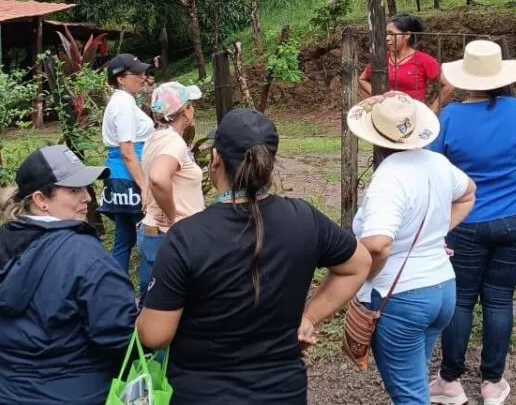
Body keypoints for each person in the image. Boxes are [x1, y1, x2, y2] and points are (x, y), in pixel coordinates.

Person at [136, 108, 372, 404]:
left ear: (216, 159)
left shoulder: (186, 237)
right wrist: (310, 317)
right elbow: (359, 264)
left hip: (202, 393)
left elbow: (155, 335)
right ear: (269, 163)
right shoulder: (304, 218)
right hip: (284, 392)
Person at [428, 40, 516, 405]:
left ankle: (450, 382)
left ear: (465, 78)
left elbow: (432, 162)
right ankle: (492, 383)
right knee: (500, 299)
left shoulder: (451, 117)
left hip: (466, 220)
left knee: (462, 300)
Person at [0, 145, 138, 404]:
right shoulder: (85, 255)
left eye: (86, 187)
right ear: (41, 200)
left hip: (8, 393)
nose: (87, 197)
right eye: (74, 190)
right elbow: (122, 336)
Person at [346, 92, 476, 405]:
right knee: (415, 382)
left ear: (376, 138)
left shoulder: (389, 178)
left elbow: (378, 245)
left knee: (410, 396)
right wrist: (433, 237)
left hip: (401, 297)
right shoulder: (438, 163)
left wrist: (364, 278)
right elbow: (469, 193)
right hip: (442, 289)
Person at [137, 82, 205, 294]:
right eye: (191, 104)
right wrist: (173, 216)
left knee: (153, 301)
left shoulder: (155, 138)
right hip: (171, 237)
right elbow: (158, 178)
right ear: (185, 110)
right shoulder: (172, 143)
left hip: (155, 233)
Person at [100, 53, 154, 273]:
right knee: (149, 237)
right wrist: (145, 187)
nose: (143, 77)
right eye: (137, 73)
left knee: (124, 238)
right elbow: (128, 151)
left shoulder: (122, 101)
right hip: (131, 177)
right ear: (120, 79)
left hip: (119, 176)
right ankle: (146, 295)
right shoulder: (122, 104)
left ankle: (116, 292)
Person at [359, 13, 454, 111]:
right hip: (386, 113)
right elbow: (362, 79)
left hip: (413, 115)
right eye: (386, 33)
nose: (387, 38)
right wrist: (379, 97)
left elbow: (449, 85)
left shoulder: (423, 60)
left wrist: (432, 109)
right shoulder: (381, 59)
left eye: (392, 34)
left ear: (407, 35)